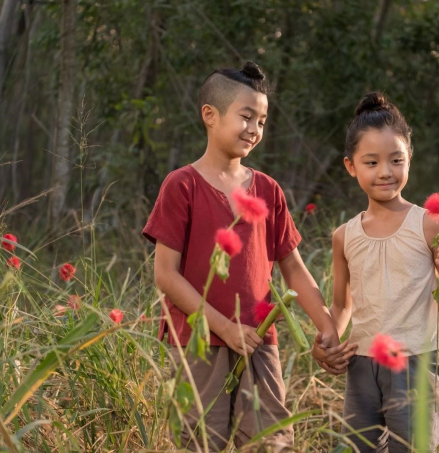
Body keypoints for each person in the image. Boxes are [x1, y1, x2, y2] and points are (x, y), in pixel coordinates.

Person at [143, 62, 349, 451]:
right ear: (210, 115)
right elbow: (166, 276)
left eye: (263, 120)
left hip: (259, 341)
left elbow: (294, 269)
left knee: (271, 441)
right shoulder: (181, 185)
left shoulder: (268, 190)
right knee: (199, 439)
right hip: (199, 341)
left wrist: (327, 327)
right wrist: (223, 326)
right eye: (246, 117)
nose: (255, 129)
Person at [312, 92, 439, 452]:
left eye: (396, 160)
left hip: (416, 360)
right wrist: (326, 344)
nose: (385, 171)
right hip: (361, 363)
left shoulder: (430, 224)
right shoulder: (344, 235)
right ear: (351, 166)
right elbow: (342, 307)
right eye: (371, 162)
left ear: (409, 160)